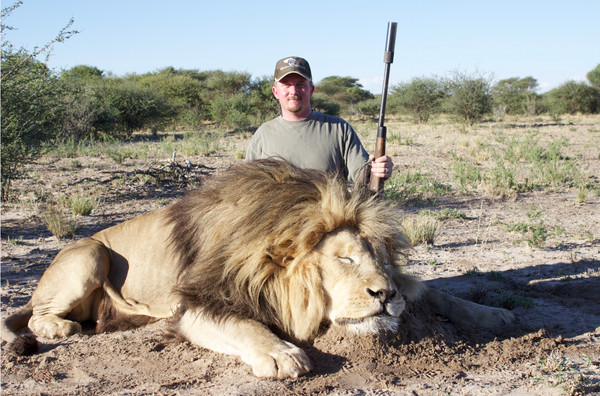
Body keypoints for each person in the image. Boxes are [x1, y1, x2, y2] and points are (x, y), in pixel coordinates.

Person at [246, 56, 393, 184]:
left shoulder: (339, 128)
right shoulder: (263, 134)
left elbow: (362, 175)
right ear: (275, 92)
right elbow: (248, 184)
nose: (293, 91)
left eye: (300, 84)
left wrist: (377, 171)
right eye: (286, 85)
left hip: (327, 215)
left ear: (311, 89)